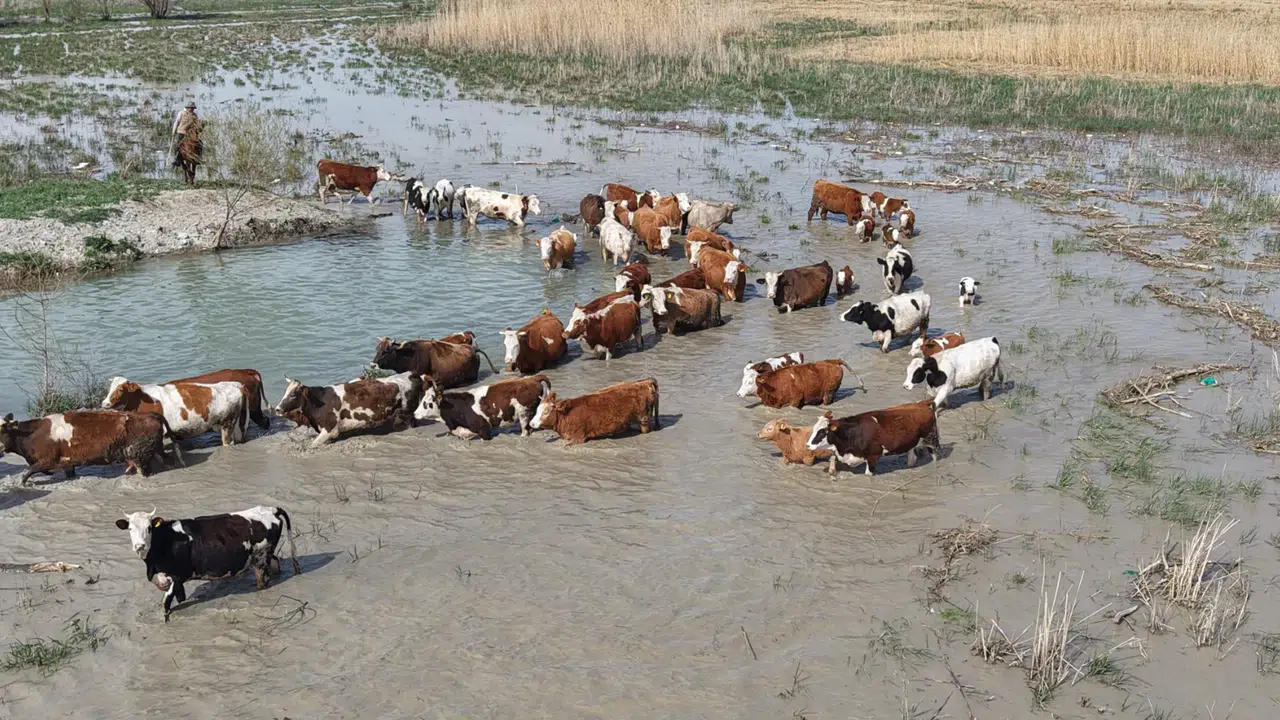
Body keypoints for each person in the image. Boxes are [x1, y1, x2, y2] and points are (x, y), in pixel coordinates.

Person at [172, 102, 199, 167]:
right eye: (190, 108)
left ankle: (198, 158)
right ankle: (176, 159)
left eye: (193, 108)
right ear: (187, 108)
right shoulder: (181, 113)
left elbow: (196, 124)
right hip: (181, 132)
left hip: (190, 134)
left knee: (199, 143)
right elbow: (177, 122)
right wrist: (173, 131)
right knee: (176, 144)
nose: (192, 109)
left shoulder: (195, 115)